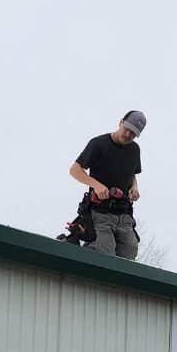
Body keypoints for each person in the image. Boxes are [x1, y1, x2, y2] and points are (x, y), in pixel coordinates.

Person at [69, 111, 146, 260]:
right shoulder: (99, 144)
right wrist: (96, 185)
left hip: (124, 215)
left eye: (133, 133)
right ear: (121, 122)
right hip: (101, 212)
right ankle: (76, 244)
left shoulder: (134, 150)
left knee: (129, 255)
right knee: (106, 253)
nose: (128, 135)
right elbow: (74, 170)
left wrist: (134, 187)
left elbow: (132, 173)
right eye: (127, 129)